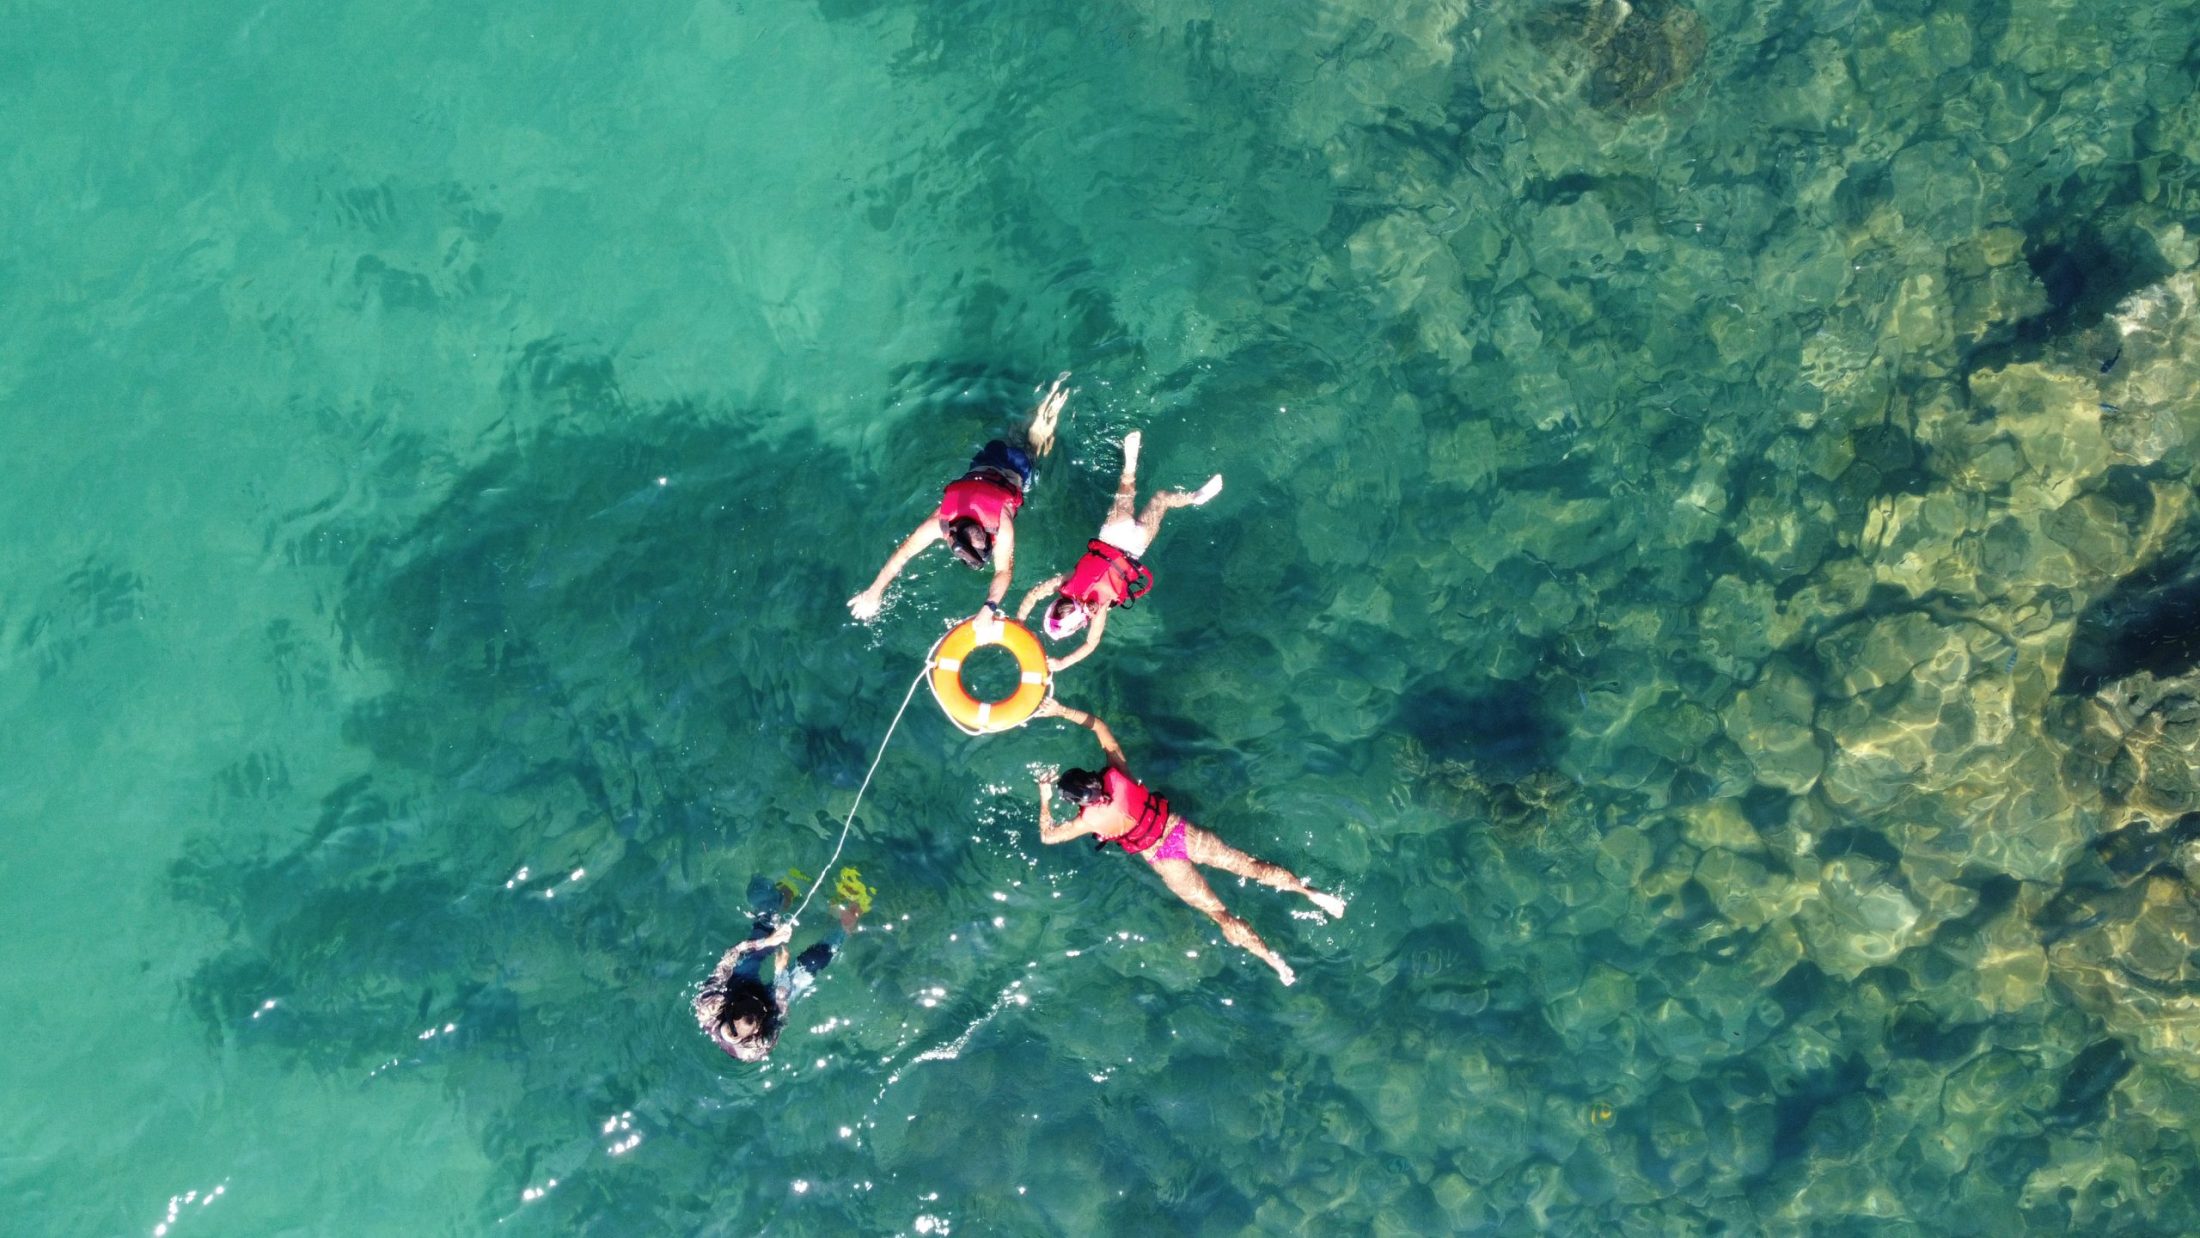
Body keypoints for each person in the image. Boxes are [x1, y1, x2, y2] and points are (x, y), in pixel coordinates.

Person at [1030, 700, 1344, 985]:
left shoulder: (1086, 821)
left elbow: (1047, 836)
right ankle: (1310, 893)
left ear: (1076, 801)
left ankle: (1273, 961)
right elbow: (1099, 725)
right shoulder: (1117, 773)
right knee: (1250, 866)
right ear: (1093, 779)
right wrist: (1060, 710)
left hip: (1165, 858)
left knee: (1220, 914)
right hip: (1182, 832)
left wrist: (1044, 799)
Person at [847, 375, 1070, 622]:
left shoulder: (1000, 523)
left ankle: (1057, 396)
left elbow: (1004, 570)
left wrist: (989, 608)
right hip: (988, 462)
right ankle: (1047, 394)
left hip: (1014, 467)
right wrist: (874, 591)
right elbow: (904, 552)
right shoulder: (942, 520)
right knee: (1020, 433)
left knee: (1038, 440)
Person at [1015, 430, 1222, 672]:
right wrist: (1019, 621)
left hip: (1133, 549)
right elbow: (1034, 593)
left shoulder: (1100, 608)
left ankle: (1194, 497)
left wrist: (1064, 662)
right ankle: (1131, 463)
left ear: (1078, 623)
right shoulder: (1067, 584)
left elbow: (1091, 643)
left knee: (1161, 500)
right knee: (1129, 484)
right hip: (1113, 536)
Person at [694, 875, 865, 1062]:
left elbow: (731, 955)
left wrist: (768, 941)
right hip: (772, 1001)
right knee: (812, 964)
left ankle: (780, 901)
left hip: (738, 984)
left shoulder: (709, 1006)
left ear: (731, 1006)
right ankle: (845, 926)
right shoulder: (758, 1046)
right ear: (758, 1028)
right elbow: (782, 1010)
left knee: (765, 926)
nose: (755, 998)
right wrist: (780, 972)